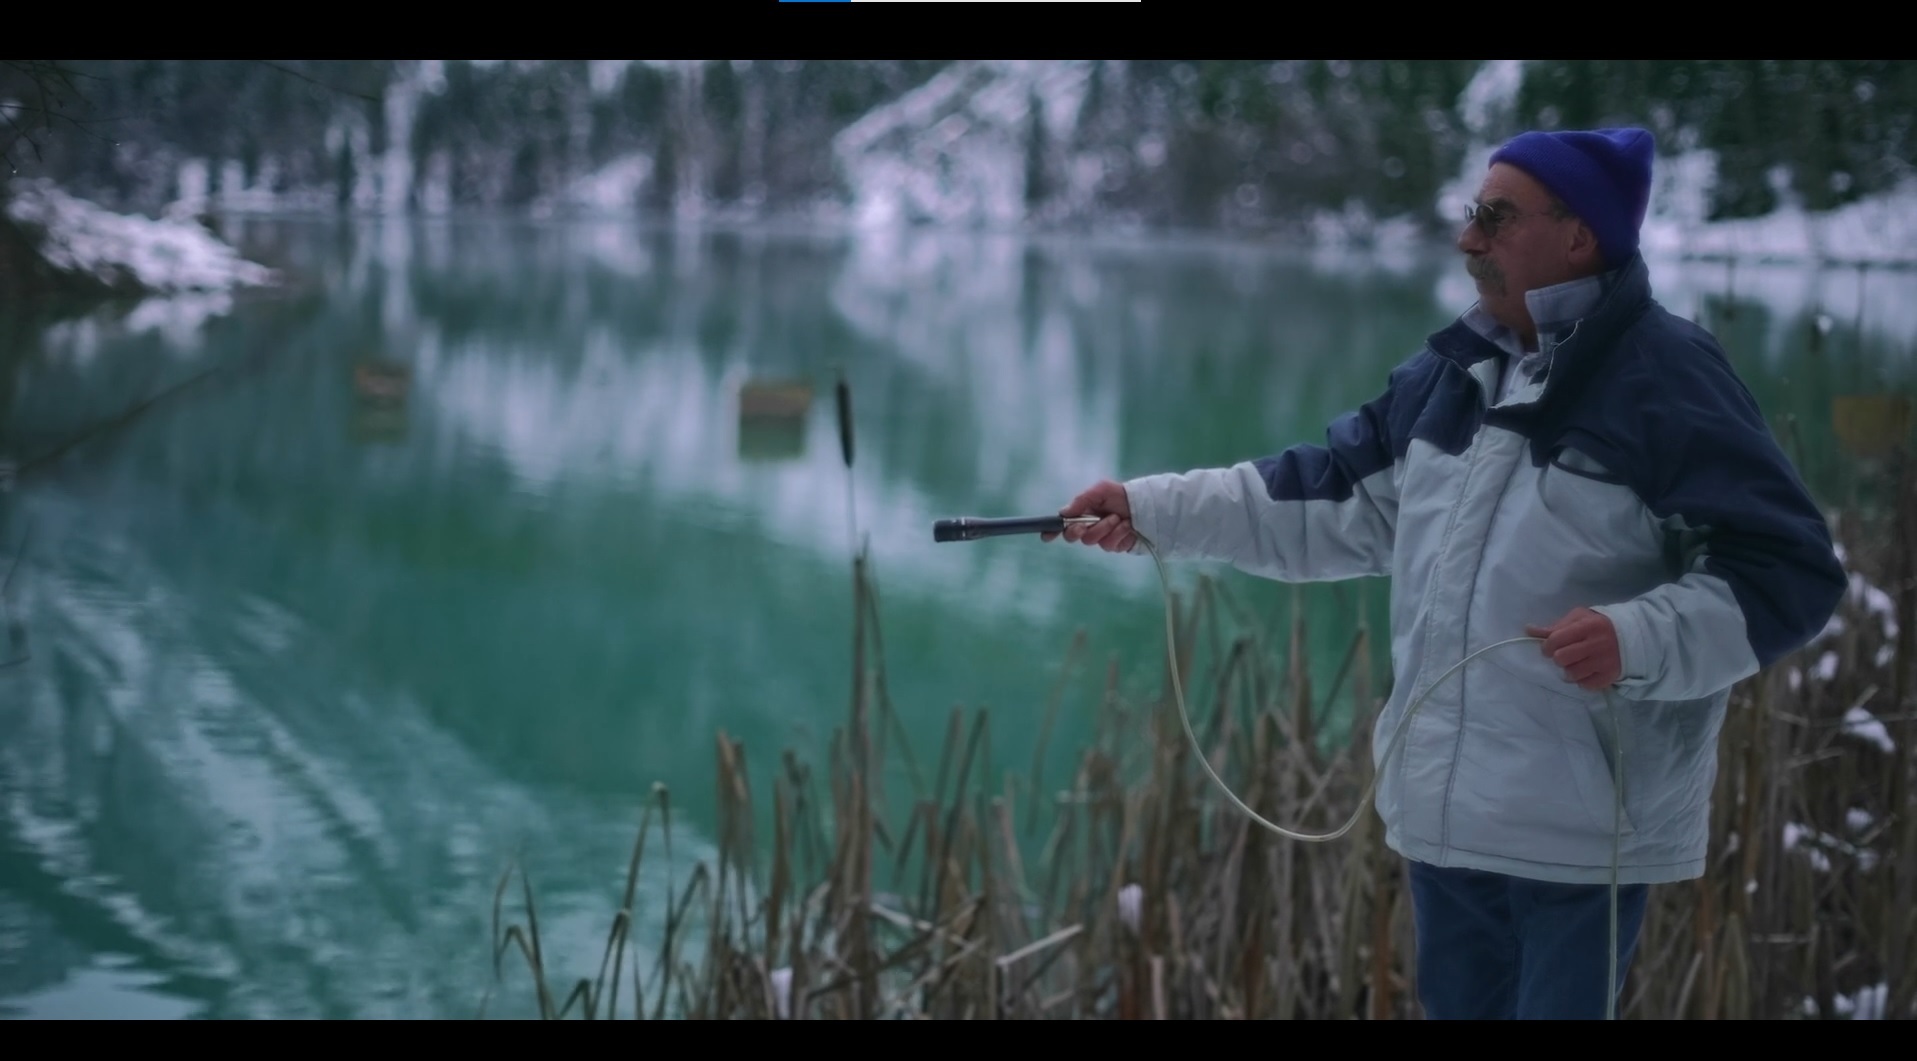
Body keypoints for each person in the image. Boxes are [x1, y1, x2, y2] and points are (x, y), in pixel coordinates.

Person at [1045, 126, 1847, 1020]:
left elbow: (1788, 570)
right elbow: (1327, 493)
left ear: (1576, 234)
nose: (1468, 238)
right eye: (1472, 215)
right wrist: (1147, 510)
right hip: (1445, 822)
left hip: (1581, 836)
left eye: (1494, 218)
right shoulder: (1448, 372)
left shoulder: (1666, 375)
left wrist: (1639, 637)